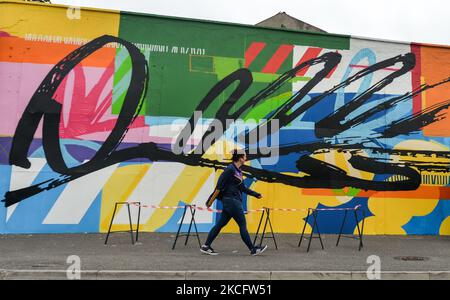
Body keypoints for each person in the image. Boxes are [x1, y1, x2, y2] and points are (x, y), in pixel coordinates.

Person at [201, 150, 268, 256]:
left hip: (231, 202)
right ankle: (252, 249)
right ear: (240, 158)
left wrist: (256, 194)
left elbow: (242, 188)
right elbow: (219, 186)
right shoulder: (230, 170)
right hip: (232, 202)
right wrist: (210, 201)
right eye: (245, 156)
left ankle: (206, 246)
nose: (246, 158)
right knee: (242, 225)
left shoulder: (238, 171)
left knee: (220, 224)